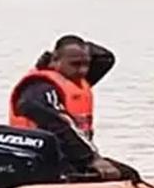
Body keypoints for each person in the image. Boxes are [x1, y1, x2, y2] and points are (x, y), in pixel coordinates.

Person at [8, 34, 123, 180]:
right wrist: (91, 158)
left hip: (72, 158)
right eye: (75, 64)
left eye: (86, 64)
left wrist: (78, 46)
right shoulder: (39, 87)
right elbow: (56, 123)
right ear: (55, 60)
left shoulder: (76, 80)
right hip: (42, 161)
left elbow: (105, 58)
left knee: (128, 174)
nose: (82, 70)